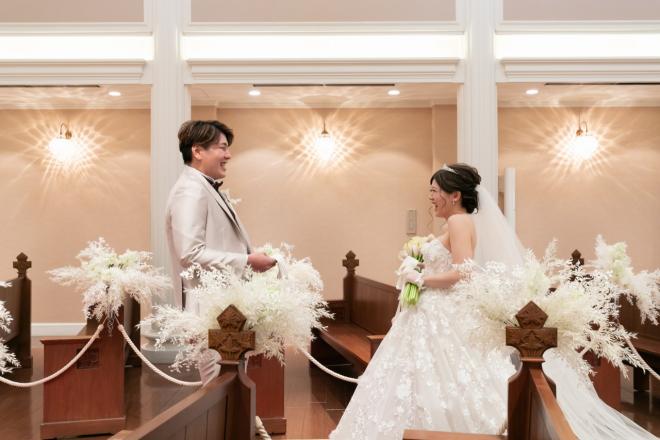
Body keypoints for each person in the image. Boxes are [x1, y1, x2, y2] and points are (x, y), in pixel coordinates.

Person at [329, 163, 655, 439]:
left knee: (441, 376)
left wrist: (420, 278)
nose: (431, 197)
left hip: (442, 312)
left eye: (435, 191)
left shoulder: (458, 221)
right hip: (434, 311)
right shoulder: (458, 223)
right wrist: (417, 268)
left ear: (455, 195)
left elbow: (464, 272)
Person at [165, 120, 275, 313]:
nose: (228, 155)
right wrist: (247, 261)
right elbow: (190, 254)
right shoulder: (190, 189)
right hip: (208, 308)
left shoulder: (202, 186)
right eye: (222, 148)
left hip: (224, 307)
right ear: (197, 151)